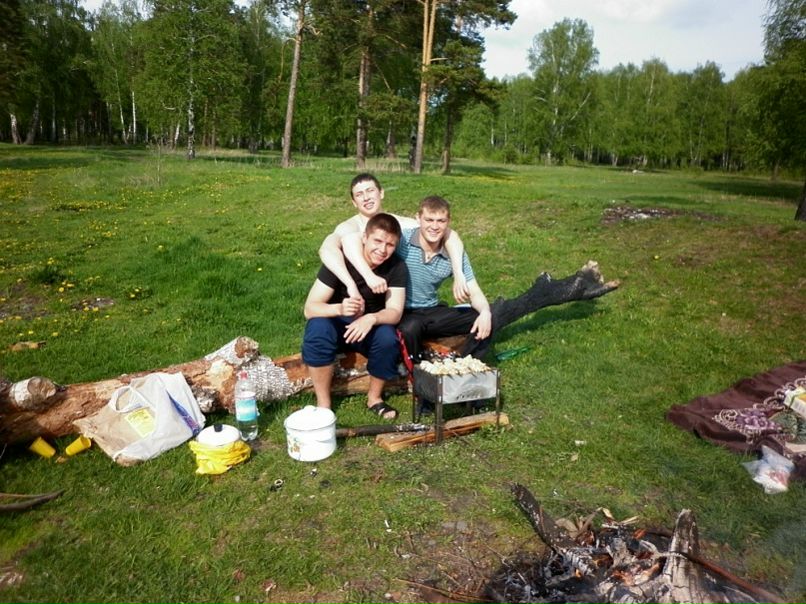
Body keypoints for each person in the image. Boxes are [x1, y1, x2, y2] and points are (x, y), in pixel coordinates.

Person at [342, 195, 493, 365]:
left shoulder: (453, 252)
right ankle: (416, 368)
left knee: (485, 316)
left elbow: (475, 291)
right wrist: (367, 277)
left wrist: (485, 312)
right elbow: (350, 239)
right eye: (429, 220)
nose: (434, 226)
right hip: (399, 310)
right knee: (410, 327)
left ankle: (468, 364)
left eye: (441, 221)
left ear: (448, 222)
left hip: (430, 309)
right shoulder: (402, 241)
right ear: (418, 219)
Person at [301, 213, 407, 420]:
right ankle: (324, 405)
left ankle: (374, 398)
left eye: (390, 245)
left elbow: (395, 312)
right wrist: (339, 309)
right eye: (377, 241)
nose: (382, 250)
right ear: (364, 238)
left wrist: (371, 318)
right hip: (337, 323)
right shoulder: (340, 262)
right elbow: (310, 308)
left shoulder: (396, 267)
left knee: (387, 337)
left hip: (368, 327)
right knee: (318, 327)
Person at [319, 173, 469, 304]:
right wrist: (358, 281)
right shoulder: (349, 227)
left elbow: (448, 234)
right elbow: (326, 250)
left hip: (391, 292)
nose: (366, 198)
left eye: (370, 191)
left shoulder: (400, 224)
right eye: (359, 194)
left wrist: (458, 273)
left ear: (381, 193)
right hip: (354, 295)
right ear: (354, 202)